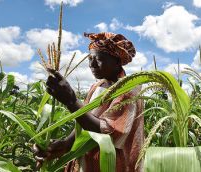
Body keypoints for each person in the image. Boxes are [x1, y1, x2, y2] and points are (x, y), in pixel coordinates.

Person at [33, 32, 144, 172]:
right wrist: (67, 143)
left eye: (98, 59)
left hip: (113, 165)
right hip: (87, 162)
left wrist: (71, 101)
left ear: (116, 61)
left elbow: (108, 133)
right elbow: (84, 120)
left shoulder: (129, 89)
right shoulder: (97, 86)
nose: (92, 64)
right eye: (90, 58)